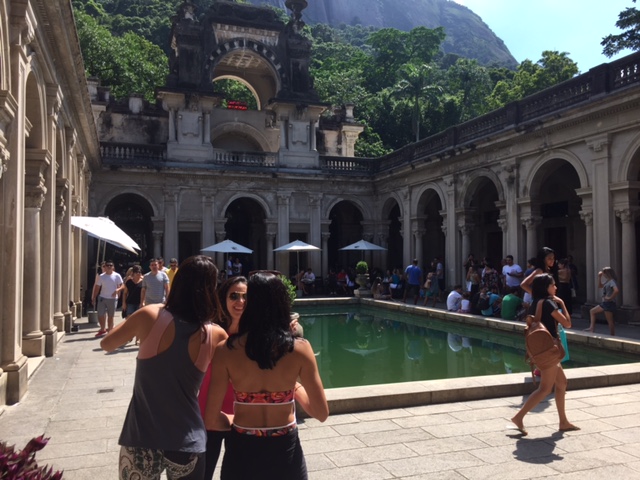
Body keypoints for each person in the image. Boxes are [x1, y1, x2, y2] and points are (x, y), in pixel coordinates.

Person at [101, 255, 228, 480]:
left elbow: (107, 343)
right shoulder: (215, 334)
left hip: (141, 437)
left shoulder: (150, 315)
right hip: (188, 439)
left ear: (177, 283)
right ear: (211, 290)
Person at [205, 272, 328, 479]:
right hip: (285, 452)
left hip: (242, 451)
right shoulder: (300, 350)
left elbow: (211, 418)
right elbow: (321, 413)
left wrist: (238, 423)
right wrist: (294, 389)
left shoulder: (225, 351)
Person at [510, 273, 578, 436]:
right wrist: (562, 303)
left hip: (544, 350)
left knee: (561, 383)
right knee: (545, 388)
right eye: (553, 285)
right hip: (549, 351)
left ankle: (563, 422)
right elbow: (567, 323)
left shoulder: (535, 302)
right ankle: (518, 417)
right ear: (546, 287)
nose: (555, 287)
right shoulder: (548, 303)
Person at [199, 276, 248, 480]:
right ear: (223, 298)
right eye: (234, 296)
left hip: (241, 412)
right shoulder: (209, 331)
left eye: (245, 297)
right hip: (209, 409)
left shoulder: (253, 333)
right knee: (203, 471)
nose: (240, 301)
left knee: (236, 473)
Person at [91, 260, 124, 337]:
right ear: (105, 267)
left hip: (112, 298)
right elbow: (97, 287)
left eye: (110, 265)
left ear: (113, 267)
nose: (109, 267)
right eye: (107, 265)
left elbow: (122, 285)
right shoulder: (102, 276)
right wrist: (94, 297)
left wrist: (118, 290)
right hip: (102, 297)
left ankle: (110, 330)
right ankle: (102, 329)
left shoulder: (117, 275)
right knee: (100, 314)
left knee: (110, 315)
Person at [587, 267, 619, 336]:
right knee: (592, 311)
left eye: (603, 273)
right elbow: (600, 286)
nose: (603, 274)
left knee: (610, 321)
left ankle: (612, 335)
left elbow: (616, 290)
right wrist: (599, 277)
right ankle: (591, 328)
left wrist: (610, 298)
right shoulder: (608, 281)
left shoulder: (612, 281)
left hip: (609, 303)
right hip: (605, 303)